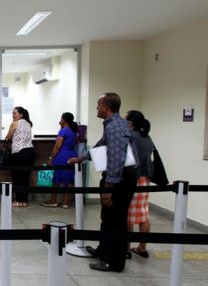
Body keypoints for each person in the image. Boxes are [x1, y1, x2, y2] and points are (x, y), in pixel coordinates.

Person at [69, 93, 138, 272]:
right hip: (116, 178)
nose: (96, 108)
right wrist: (82, 158)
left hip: (119, 180)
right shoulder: (112, 125)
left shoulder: (115, 127)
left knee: (116, 220)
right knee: (107, 217)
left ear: (106, 107)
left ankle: (113, 261)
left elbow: (116, 158)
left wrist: (108, 187)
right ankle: (103, 250)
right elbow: (101, 147)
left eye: (98, 104)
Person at [125, 110, 154, 259]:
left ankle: (126, 250)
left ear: (130, 123)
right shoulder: (147, 137)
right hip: (145, 180)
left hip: (132, 179)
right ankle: (142, 248)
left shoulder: (130, 137)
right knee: (143, 215)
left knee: (128, 216)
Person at [41, 112, 79, 209]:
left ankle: (53, 201)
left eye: (61, 119)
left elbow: (58, 146)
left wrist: (51, 158)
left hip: (61, 156)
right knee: (69, 180)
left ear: (64, 120)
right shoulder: (74, 131)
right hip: (72, 155)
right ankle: (65, 203)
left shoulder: (63, 131)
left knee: (56, 180)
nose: (60, 120)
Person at [5, 106, 35, 207]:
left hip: (19, 153)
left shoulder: (15, 123)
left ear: (21, 114)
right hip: (30, 152)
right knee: (25, 178)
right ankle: (24, 201)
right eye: (12, 113)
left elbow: (8, 137)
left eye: (15, 113)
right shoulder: (28, 123)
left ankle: (18, 201)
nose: (13, 115)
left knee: (17, 177)